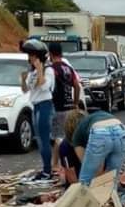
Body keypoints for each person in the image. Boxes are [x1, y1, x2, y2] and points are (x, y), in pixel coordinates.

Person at [21, 39, 56, 181]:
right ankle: (45, 169)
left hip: (45, 105)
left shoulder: (49, 70)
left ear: (38, 56)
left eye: (32, 55)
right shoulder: (32, 72)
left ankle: (47, 171)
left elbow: (44, 87)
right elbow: (25, 90)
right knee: (40, 140)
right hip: (35, 105)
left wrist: (40, 70)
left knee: (44, 139)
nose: (29, 58)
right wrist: (23, 80)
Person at [69, 108, 125, 186]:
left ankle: (84, 197)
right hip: (121, 130)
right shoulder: (90, 120)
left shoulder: (76, 138)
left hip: (100, 131)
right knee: (112, 177)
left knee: (85, 179)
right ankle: (110, 196)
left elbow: (88, 164)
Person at [47, 42, 83, 170]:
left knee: (58, 136)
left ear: (50, 53)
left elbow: (49, 88)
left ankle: (55, 164)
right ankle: (69, 162)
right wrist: (75, 102)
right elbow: (77, 85)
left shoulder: (52, 69)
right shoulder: (68, 68)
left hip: (58, 106)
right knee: (69, 136)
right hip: (69, 106)